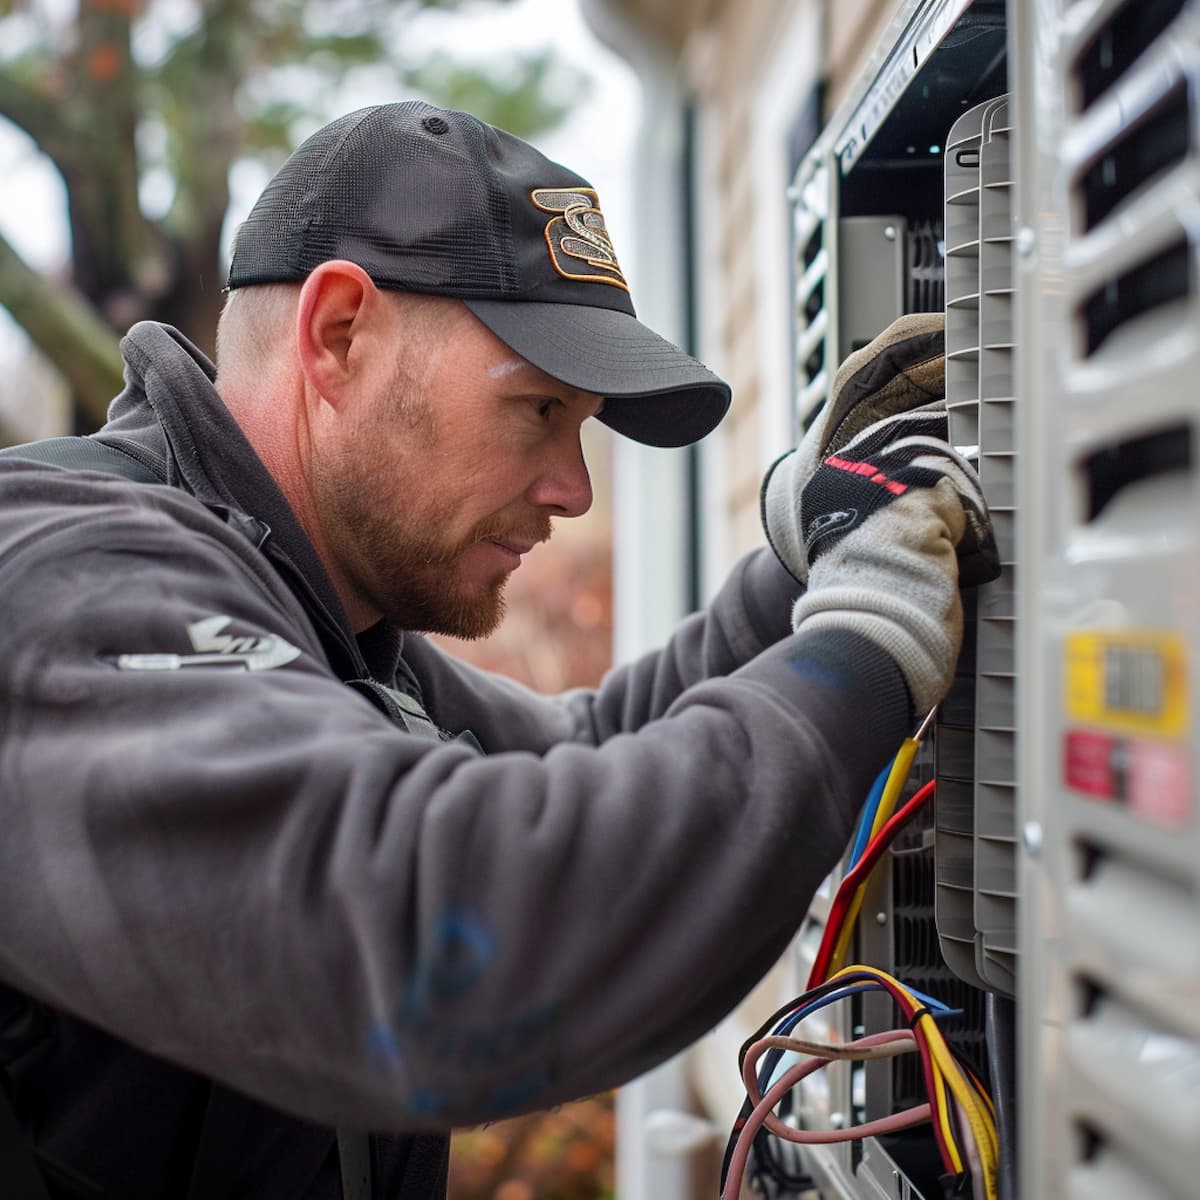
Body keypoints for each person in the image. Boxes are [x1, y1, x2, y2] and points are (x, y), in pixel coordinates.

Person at [0, 101, 997, 1199]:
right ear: (339, 335)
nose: (573, 489)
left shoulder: (325, 628)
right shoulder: (68, 582)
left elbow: (594, 749)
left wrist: (806, 554)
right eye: (536, 412)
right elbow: (439, 930)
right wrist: (871, 640)